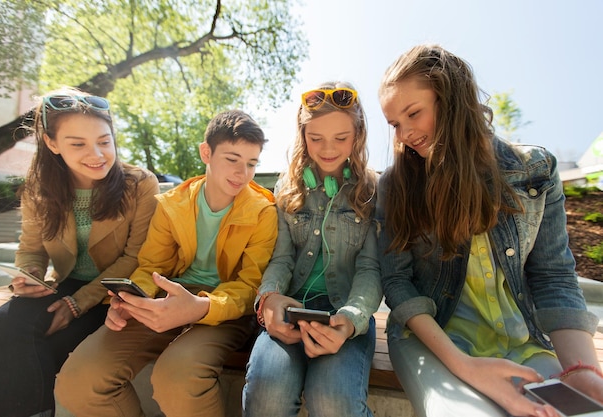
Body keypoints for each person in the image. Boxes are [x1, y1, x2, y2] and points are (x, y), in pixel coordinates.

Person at [376, 44, 603, 417]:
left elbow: (554, 276)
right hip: (437, 341)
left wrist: (581, 371)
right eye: (395, 124)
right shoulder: (396, 185)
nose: (404, 135)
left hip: (525, 342)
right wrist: (464, 366)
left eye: (413, 113)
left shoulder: (536, 171)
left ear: (451, 100)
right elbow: (398, 283)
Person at [54, 109, 278, 417]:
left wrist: (201, 306)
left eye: (251, 163)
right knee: (78, 381)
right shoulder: (172, 205)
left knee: (177, 377)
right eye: (232, 159)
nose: (242, 173)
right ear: (206, 153)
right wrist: (133, 298)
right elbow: (151, 268)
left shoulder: (264, 211)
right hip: (166, 298)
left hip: (225, 308)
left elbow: (251, 286)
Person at [0, 87, 159, 417]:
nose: (97, 154)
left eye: (104, 141)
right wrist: (29, 274)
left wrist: (77, 304)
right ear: (51, 143)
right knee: (0, 326)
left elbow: (135, 257)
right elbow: (31, 249)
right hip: (64, 284)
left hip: (113, 293)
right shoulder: (39, 189)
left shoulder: (139, 184)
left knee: (47, 344)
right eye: (78, 144)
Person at [242, 82, 382, 417]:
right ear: (302, 135)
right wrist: (269, 298)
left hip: (344, 314)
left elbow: (370, 269)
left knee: (333, 401)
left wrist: (349, 320)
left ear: (358, 135)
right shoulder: (287, 188)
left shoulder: (372, 191)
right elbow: (281, 257)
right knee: (266, 396)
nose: (328, 149)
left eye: (341, 138)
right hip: (291, 309)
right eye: (315, 137)